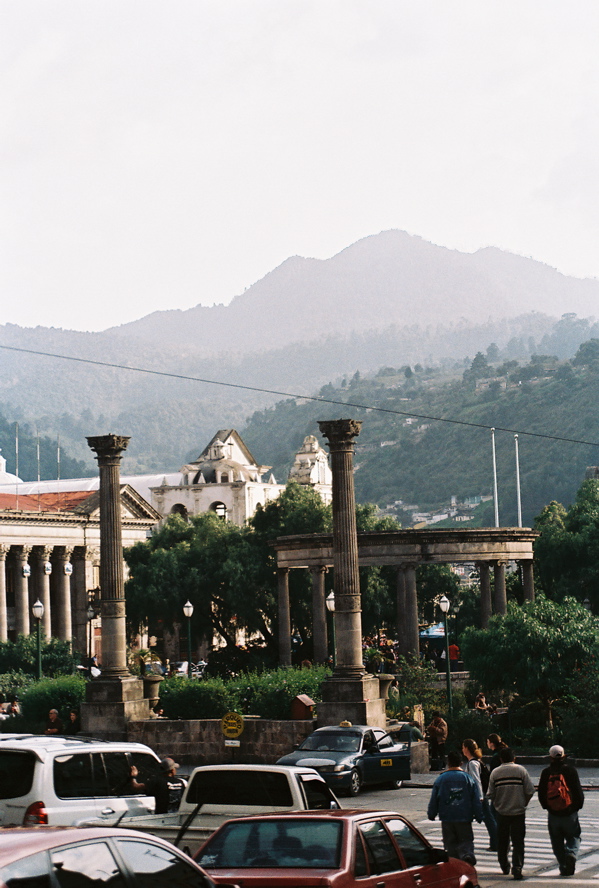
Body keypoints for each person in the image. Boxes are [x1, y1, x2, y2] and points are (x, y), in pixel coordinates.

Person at [427, 749, 483, 864]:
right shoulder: (468, 779)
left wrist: (431, 813)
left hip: (447, 817)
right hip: (464, 817)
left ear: (448, 763)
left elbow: (434, 799)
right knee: (466, 840)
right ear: (461, 763)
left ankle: (454, 863)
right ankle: (467, 855)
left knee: (450, 843)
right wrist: (479, 815)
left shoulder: (441, 779)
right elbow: (475, 799)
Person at [487, 747, 534, 880]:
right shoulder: (521, 770)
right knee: (518, 841)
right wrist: (523, 802)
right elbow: (530, 791)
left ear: (501, 759)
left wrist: (498, 804)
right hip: (518, 812)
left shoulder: (495, 773)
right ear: (514, 758)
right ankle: (517, 867)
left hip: (501, 812)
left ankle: (504, 865)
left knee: (502, 841)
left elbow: (490, 794)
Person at [538, 744, 584, 877]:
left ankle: (563, 866)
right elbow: (577, 791)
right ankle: (571, 853)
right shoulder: (570, 770)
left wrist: (547, 807)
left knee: (556, 841)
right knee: (574, 836)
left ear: (550, 757)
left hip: (553, 814)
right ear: (563, 756)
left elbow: (541, 793)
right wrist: (576, 806)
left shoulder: (546, 772)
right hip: (569, 812)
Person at [462, 738, 497, 852]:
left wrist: (480, 797)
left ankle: (497, 842)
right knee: (488, 819)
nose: (462, 750)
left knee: (488, 819)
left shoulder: (472, 763)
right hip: (480, 796)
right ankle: (497, 842)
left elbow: (476, 781)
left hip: (478, 796)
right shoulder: (477, 761)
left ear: (467, 749)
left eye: (463, 747)